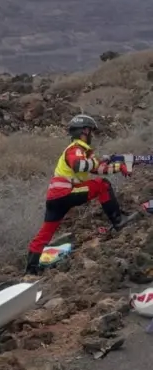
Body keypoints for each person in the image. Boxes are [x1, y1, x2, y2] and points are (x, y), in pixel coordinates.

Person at [25, 114, 136, 275]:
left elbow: (95, 168)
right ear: (84, 131)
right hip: (66, 193)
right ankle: (118, 221)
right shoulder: (76, 148)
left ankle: (31, 270)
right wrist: (98, 161)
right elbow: (79, 165)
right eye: (91, 131)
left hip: (54, 198)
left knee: (45, 234)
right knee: (103, 185)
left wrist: (118, 167)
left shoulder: (79, 151)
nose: (92, 135)